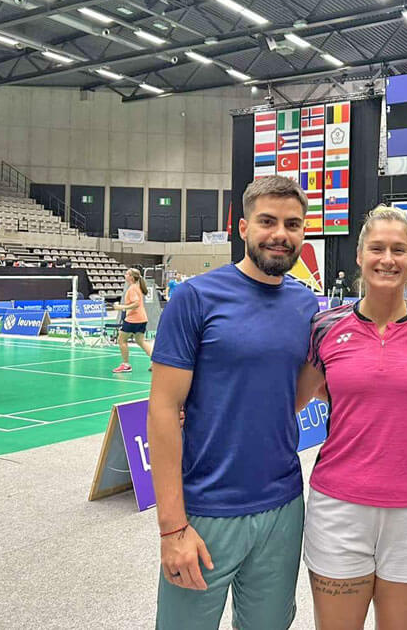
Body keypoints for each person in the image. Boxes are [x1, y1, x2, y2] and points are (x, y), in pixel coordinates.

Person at [147, 175, 318, 630]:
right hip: (205, 510)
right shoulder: (195, 298)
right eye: (267, 221)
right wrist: (171, 527)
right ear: (243, 228)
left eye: (292, 224)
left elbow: (295, 397)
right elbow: (162, 409)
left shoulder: (306, 305)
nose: (280, 234)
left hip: (283, 506)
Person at [295, 206, 407, 630]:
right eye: (377, 248)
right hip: (338, 507)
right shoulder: (326, 326)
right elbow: (290, 402)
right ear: (360, 255)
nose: (387, 259)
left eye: (398, 249)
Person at [111, 268, 152, 373]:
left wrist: (120, 307)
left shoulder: (133, 288)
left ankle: (126, 365)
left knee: (121, 340)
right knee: (140, 341)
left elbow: (136, 303)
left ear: (131, 277)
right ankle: (156, 362)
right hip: (142, 318)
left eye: (127, 274)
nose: (125, 275)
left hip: (133, 319)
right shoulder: (137, 287)